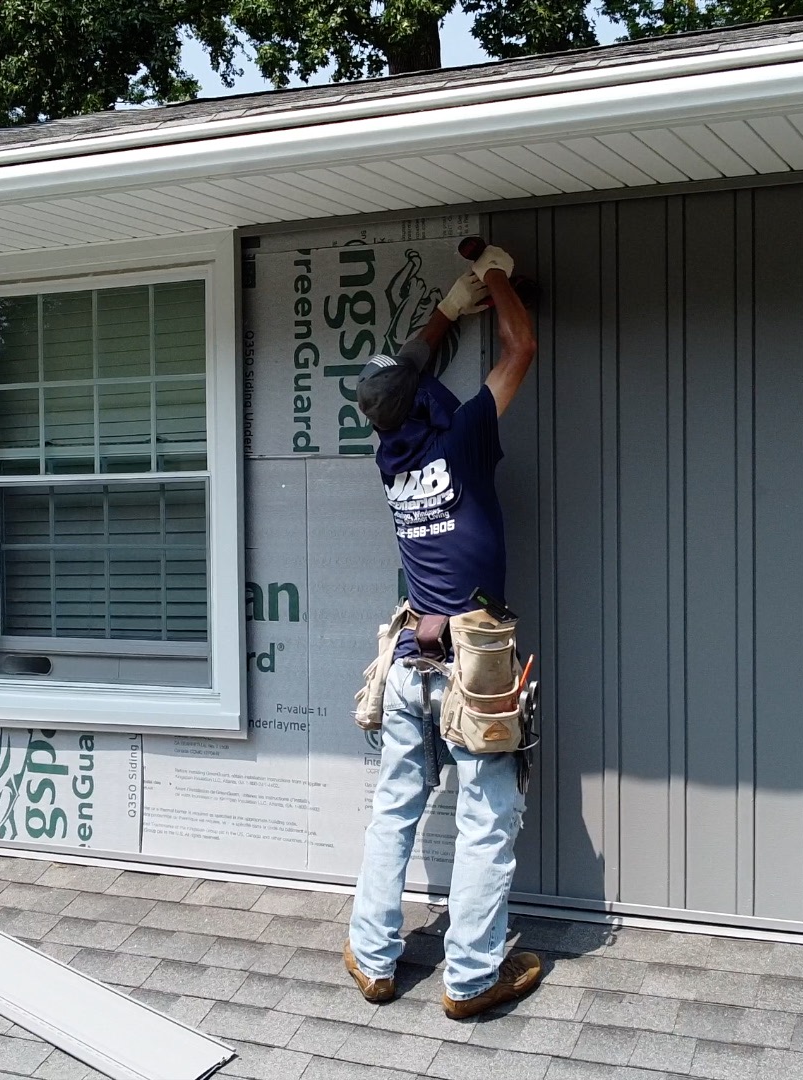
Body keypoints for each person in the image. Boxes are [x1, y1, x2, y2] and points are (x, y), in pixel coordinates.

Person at [343, 244, 540, 1020]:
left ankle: (374, 958)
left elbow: (405, 377)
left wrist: (448, 310)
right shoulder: (462, 441)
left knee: (397, 805)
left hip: (408, 664)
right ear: (430, 398)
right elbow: (522, 347)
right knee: (488, 816)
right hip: (473, 664)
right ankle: (469, 980)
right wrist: (493, 270)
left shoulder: (391, 457)